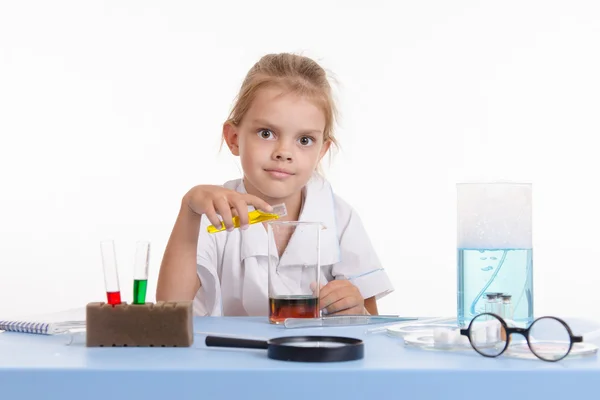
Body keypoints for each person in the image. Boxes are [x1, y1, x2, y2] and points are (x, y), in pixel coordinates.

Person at [156, 52, 394, 317]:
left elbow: (370, 320)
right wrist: (189, 209)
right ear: (234, 138)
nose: (284, 152)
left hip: (311, 357)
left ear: (322, 151)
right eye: (266, 133)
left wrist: (356, 309)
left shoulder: (340, 218)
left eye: (304, 140)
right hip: (232, 357)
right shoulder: (214, 214)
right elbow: (170, 309)